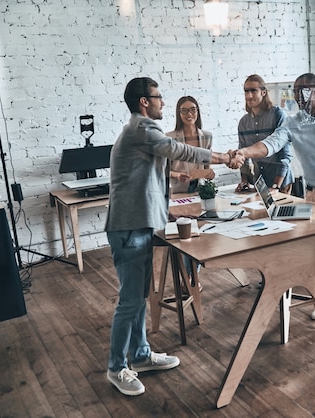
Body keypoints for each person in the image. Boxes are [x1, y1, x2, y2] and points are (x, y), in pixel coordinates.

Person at [104, 77, 242, 396]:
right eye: (158, 97)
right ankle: (116, 367)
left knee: (138, 297)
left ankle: (139, 355)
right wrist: (223, 158)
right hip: (128, 228)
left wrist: (165, 212)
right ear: (144, 102)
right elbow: (179, 149)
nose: (163, 102)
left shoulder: (139, 133)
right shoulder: (142, 129)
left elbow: (142, 182)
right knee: (129, 301)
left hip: (140, 224)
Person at [232, 73, 315, 321]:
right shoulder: (294, 122)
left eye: (300, 91)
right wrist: (243, 152)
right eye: (294, 91)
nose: (296, 96)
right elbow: (271, 144)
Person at [236, 74, 293, 194]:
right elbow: (243, 155)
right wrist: (244, 181)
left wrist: (276, 186)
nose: (249, 95)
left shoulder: (278, 114)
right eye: (246, 91)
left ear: (263, 92)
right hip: (260, 182)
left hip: (281, 183)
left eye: (253, 91)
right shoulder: (243, 122)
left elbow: (285, 156)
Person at [167, 96, 215, 194]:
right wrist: (177, 175)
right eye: (184, 111)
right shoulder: (170, 138)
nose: (189, 114)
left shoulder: (207, 136)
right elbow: (162, 170)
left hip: (201, 190)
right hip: (179, 189)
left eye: (193, 110)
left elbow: (207, 166)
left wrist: (210, 174)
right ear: (179, 113)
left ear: (197, 111)